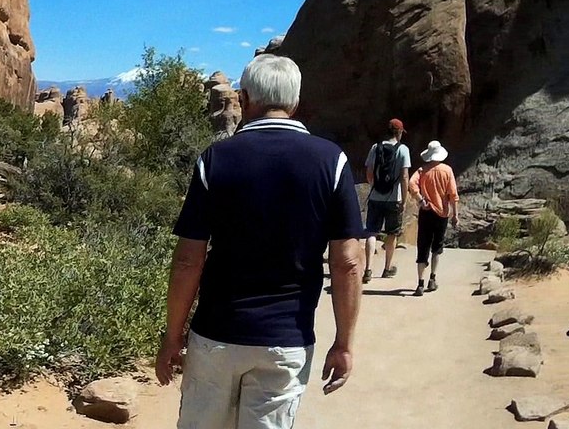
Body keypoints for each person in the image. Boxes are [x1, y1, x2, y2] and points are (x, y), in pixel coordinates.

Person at [155, 55, 365, 429]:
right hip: (286, 340)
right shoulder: (331, 161)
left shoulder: (216, 159)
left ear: (246, 98)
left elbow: (189, 259)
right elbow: (348, 262)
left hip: (217, 334)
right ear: (295, 103)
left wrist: (173, 336)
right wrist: (344, 342)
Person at [408, 141, 459, 296]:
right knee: (437, 247)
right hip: (441, 213)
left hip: (426, 211)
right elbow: (453, 195)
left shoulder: (423, 170)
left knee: (423, 246)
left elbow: (411, 183)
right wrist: (455, 215)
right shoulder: (447, 170)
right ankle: (432, 278)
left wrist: (420, 199)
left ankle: (420, 283)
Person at [363, 119, 410, 283]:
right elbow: (404, 177)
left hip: (375, 196)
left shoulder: (376, 148)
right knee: (392, 233)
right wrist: (404, 200)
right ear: (399, 133)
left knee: (371, 232)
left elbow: (369, 172)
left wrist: (375, 185)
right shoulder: (403, 150)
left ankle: (368, 269)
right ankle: (387, 268)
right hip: (393, 198)